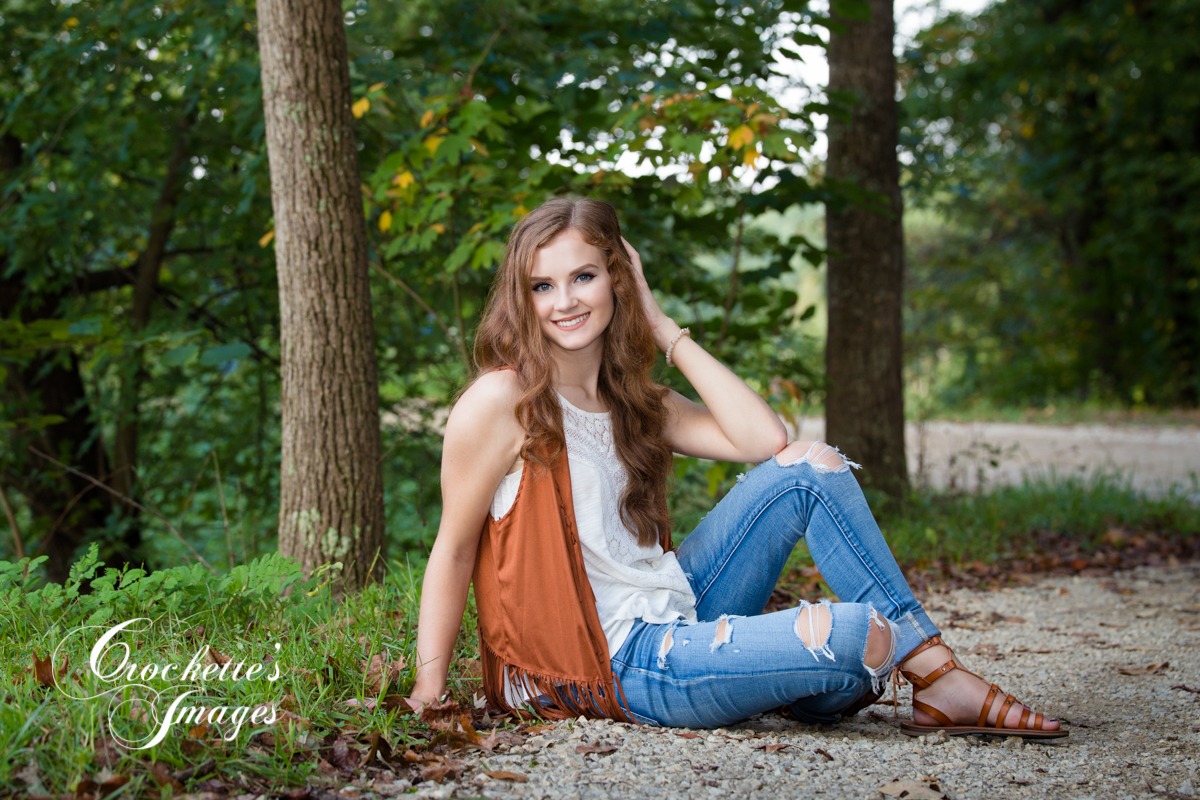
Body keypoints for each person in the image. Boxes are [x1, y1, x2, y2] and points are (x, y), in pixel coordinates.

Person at [407, 197, 1065, 738]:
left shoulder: (634, 399)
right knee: (861, 635)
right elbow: (455, 548)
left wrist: (664, 329)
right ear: (524, 299)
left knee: (814, 468)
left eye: (583, 276)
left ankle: (928, 673)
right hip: (609, 662)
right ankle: (869, 676)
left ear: (618, 277)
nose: (564, 301)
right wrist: (428, 693)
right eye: (542, 286)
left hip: (678, 613)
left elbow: (764, 438)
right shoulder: (502, 402)